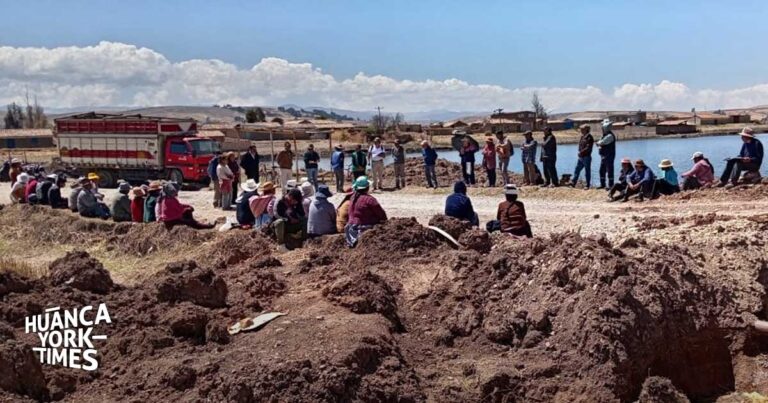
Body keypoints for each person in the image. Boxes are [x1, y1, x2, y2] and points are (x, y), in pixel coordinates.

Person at [345, 176, 387, 247]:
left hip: (350, 231)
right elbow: (382, 215)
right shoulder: (370, 200)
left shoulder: (352, 197)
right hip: (363, 229)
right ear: (367, 187)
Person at [570, 124, 595, 189]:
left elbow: (588, 148)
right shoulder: (582, 137)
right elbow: (580, 145)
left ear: (586, 130)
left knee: (587, 171)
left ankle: (587, 185)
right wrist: (579, 151)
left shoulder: (590, 138)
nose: (581, 130)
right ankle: (573, 183)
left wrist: (581, 152)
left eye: (582, 129)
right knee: (577, 169)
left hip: (586, 157)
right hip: (581, 157)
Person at [596, 119, 617, 189]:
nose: (602, 128)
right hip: (604, 156)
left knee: (610, 171)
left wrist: (599, 143)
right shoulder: (605, 135)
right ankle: (603, 184)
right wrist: (599, 143)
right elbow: (600, 142)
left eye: (603, 127)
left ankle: (611, 185)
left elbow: (601, 142)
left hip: (609, 156)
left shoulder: (610, 136)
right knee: (602, 170)